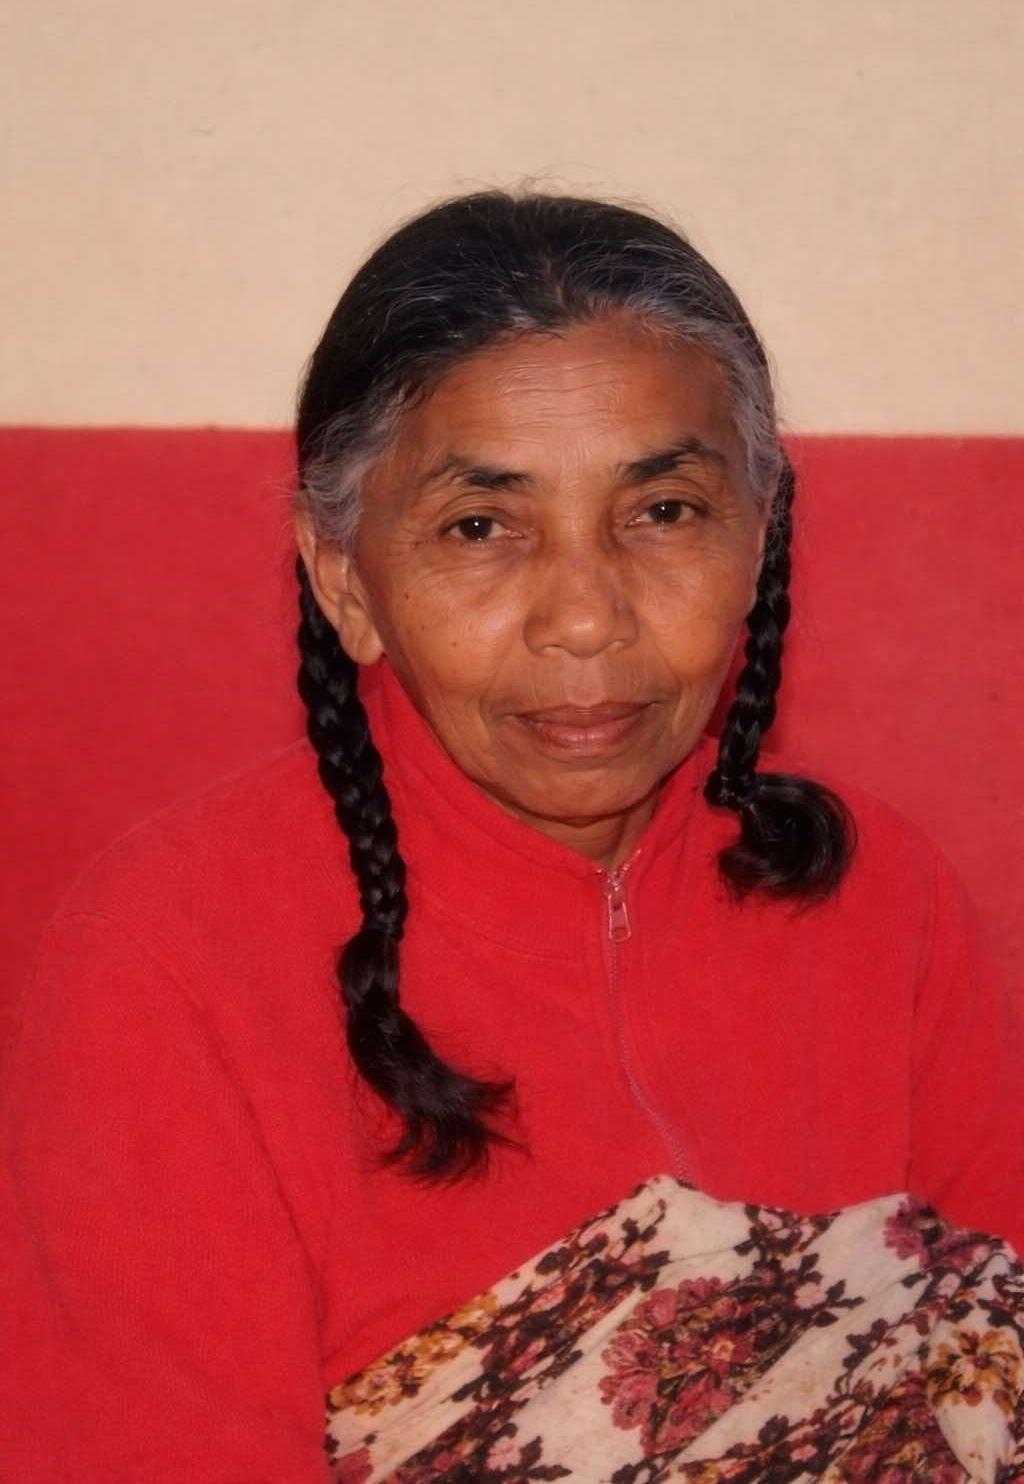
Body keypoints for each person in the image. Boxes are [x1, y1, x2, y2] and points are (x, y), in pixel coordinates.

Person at [2, 191, 1022, 1482]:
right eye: (481, 527)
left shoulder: (879, 897)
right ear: (343, 576)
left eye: (664, 511)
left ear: (761, 536)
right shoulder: (168, 962)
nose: (585, 617)